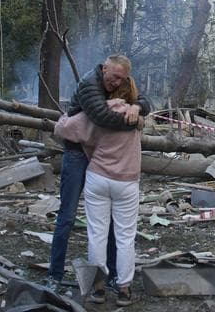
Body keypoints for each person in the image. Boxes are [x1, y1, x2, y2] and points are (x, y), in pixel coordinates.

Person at [48, 55, 149, 291]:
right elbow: (101, 118)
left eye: (121, 79)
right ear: (104, 69)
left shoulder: (119, 90)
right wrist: (135, 121)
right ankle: (54, 274)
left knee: (105, 226)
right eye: (114, 77)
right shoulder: (89, 85)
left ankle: (110, 278)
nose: (116, 82)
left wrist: (136, 107)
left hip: (99, 160)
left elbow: (143, 99)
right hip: (77, 152)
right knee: (68, 216)